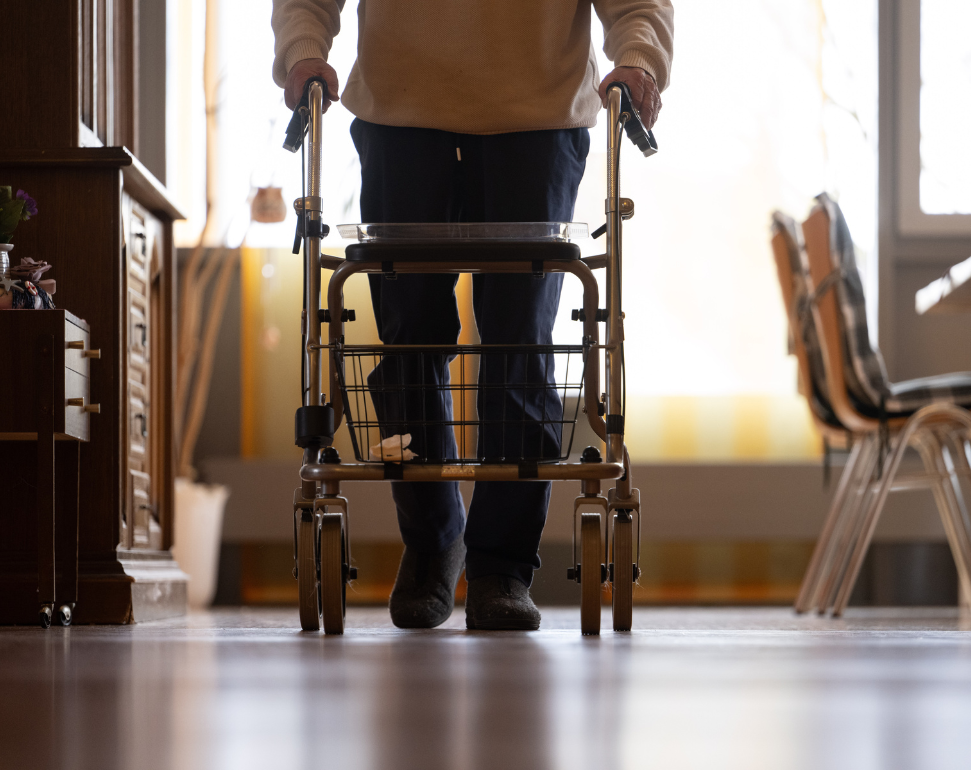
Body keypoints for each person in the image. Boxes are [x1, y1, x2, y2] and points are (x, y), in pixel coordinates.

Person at [272, 0, 673, 631]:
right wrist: (302, 51)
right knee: (409, 331)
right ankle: (433, 544)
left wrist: (639, 60)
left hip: (537, 113)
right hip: (400, 109)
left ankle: (501, 567)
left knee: (522, 338)